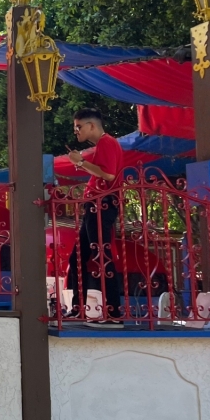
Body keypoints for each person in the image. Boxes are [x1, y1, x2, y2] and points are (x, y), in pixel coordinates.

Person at [65, 108, 124, 322]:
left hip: (102, 205)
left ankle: (114, 311)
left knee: (101, 256)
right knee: (78, 257)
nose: (76, 132)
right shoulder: (103, 145)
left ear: (91, 125)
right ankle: (78, 307)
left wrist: (79, 162)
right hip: (95, 204)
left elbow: (108, 174)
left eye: (78, 127)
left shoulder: (107, 143)